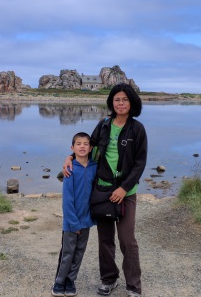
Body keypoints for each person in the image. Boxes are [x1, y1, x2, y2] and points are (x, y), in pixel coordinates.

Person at [63, 83, 148, 297]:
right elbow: (87, 147)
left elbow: (140, 163)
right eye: (117, 99)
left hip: (125, 193)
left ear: (132, 103)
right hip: (102, 191)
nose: (120, 103)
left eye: (125, 99)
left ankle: (133, 286)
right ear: (111, 102)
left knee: (127, 240)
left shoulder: (137, 129)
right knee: (105, 240)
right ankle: (109, 280)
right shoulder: (103, 125)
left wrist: (124, 188)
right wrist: (70, 157)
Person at [52, 132, 98, 297]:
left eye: (86, 144)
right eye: (78, 144)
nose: (82, 146)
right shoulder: (70, 169)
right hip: (72, 222)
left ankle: (71, 280)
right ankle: (59, 281)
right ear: (72, 148)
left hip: (87, 220)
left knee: (79, 252)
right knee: (68, 252)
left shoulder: (94, 167)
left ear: (91, 147)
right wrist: (74, 222)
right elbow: (67, 200)